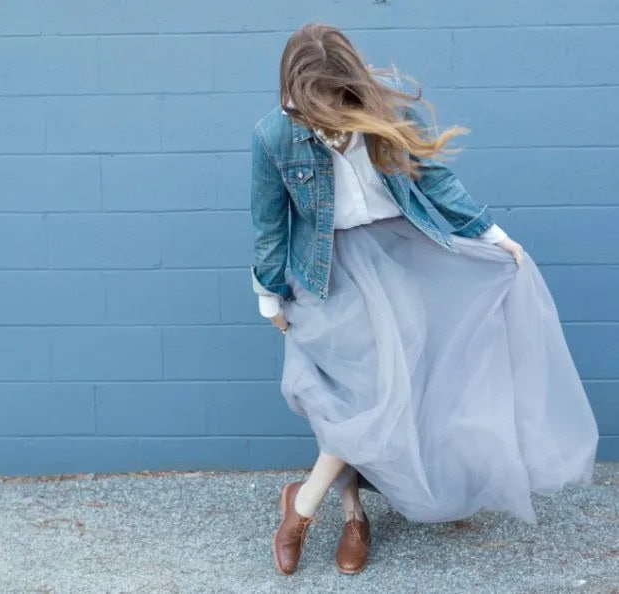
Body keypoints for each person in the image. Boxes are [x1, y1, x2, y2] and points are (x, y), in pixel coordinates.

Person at [249, 23, 599, 576]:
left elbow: (432, 179)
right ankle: (348, 510)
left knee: (386, 393)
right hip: (328, 271)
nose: (331, 113)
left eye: (339, 99)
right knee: (348, 396)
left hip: (402, 256)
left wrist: (491, 235)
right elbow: (270, 224)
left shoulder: (381, 104)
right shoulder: (275, 135)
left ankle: (308, 505)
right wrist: (270, 295)